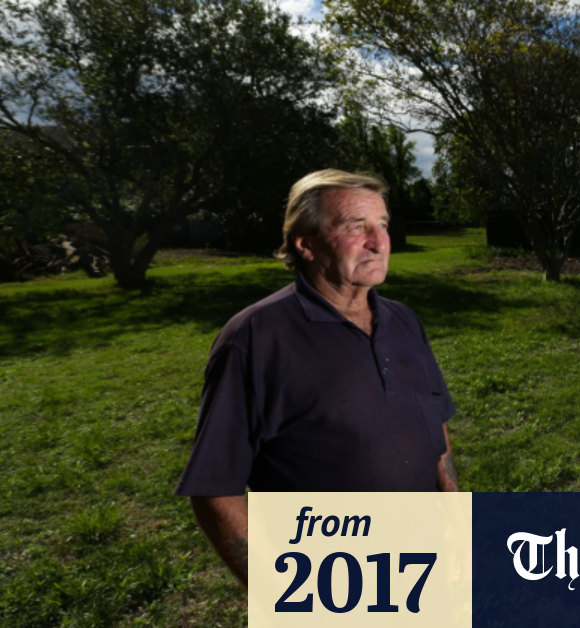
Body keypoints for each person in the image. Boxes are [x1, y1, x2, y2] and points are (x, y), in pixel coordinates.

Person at [175, 169, 458, 586]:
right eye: (354, 227)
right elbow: (214, 489)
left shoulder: (403, 321)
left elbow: (434, 426)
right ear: (305, 244)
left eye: (382, 225)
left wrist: (454, 525)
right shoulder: (256, 338)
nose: (379, 242)